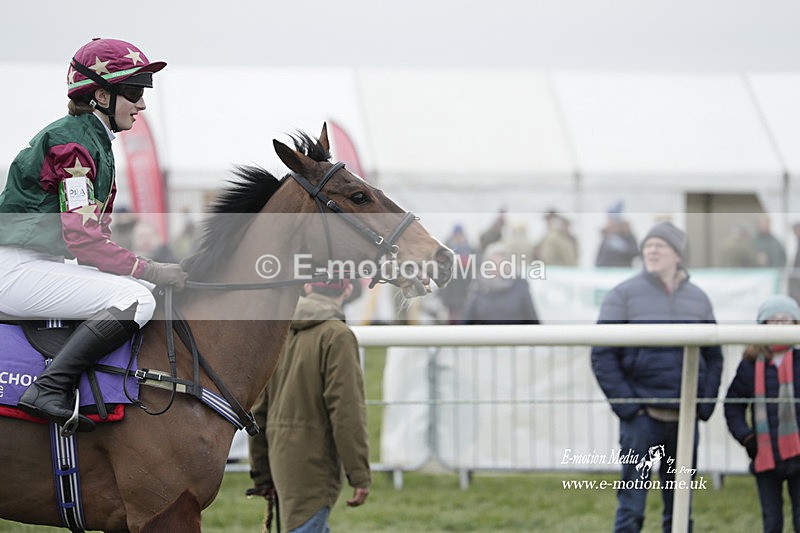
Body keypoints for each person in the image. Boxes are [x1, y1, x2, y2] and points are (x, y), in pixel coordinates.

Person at [0, 38, 188, 432]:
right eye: (135, 92)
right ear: (102, 94)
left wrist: (139, 267)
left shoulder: (93, 140)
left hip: (35, 263)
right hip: (14, 267)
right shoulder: (75, 144)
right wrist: (149, 270)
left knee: (132, 286)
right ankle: (48, 389)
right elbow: (83, 241)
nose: (142, 104)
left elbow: (91, 242)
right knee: (135, 296)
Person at [590, 221, 724, 532]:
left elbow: (713, 356)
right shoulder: (622, 295)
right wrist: (629, 408)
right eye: (648, 245)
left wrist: (702, 405)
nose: (651, 250)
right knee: (632, 505)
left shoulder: (699, 299)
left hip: (684, 419)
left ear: (677, 254)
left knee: (679, 507)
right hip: (641, 419)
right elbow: (602, 354)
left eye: (659, 245)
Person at [248, 279, 371, 532]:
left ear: (307, 287)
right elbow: (347, 412)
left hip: (279, 462)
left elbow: (258, 410)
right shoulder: (337, 335)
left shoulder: (278, 330)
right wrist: (359, 474)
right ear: (347, 289)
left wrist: (261, 473)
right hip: (315, 465)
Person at [725, 295, 800, 533]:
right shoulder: (749, 364)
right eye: (772, 320)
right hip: (765, 457)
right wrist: (747, 438)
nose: (779, 325)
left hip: (799, 455)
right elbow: (733, 405)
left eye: (785, 320)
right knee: (772, 522)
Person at [460, 242, 539, 324]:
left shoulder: (519, 286)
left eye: (501, 264)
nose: (496, 269)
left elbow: (532, 318)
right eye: (492, 265)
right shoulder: (478, 288)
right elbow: (466, 321)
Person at [595, 202, 639, 268]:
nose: (609, 223)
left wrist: (624, 248)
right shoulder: (607, 236)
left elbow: (636, 253)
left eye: (612, 221)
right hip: (606, 273)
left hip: (622, 271)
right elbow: (600, 257)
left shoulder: (628, 235)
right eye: (609, 220)